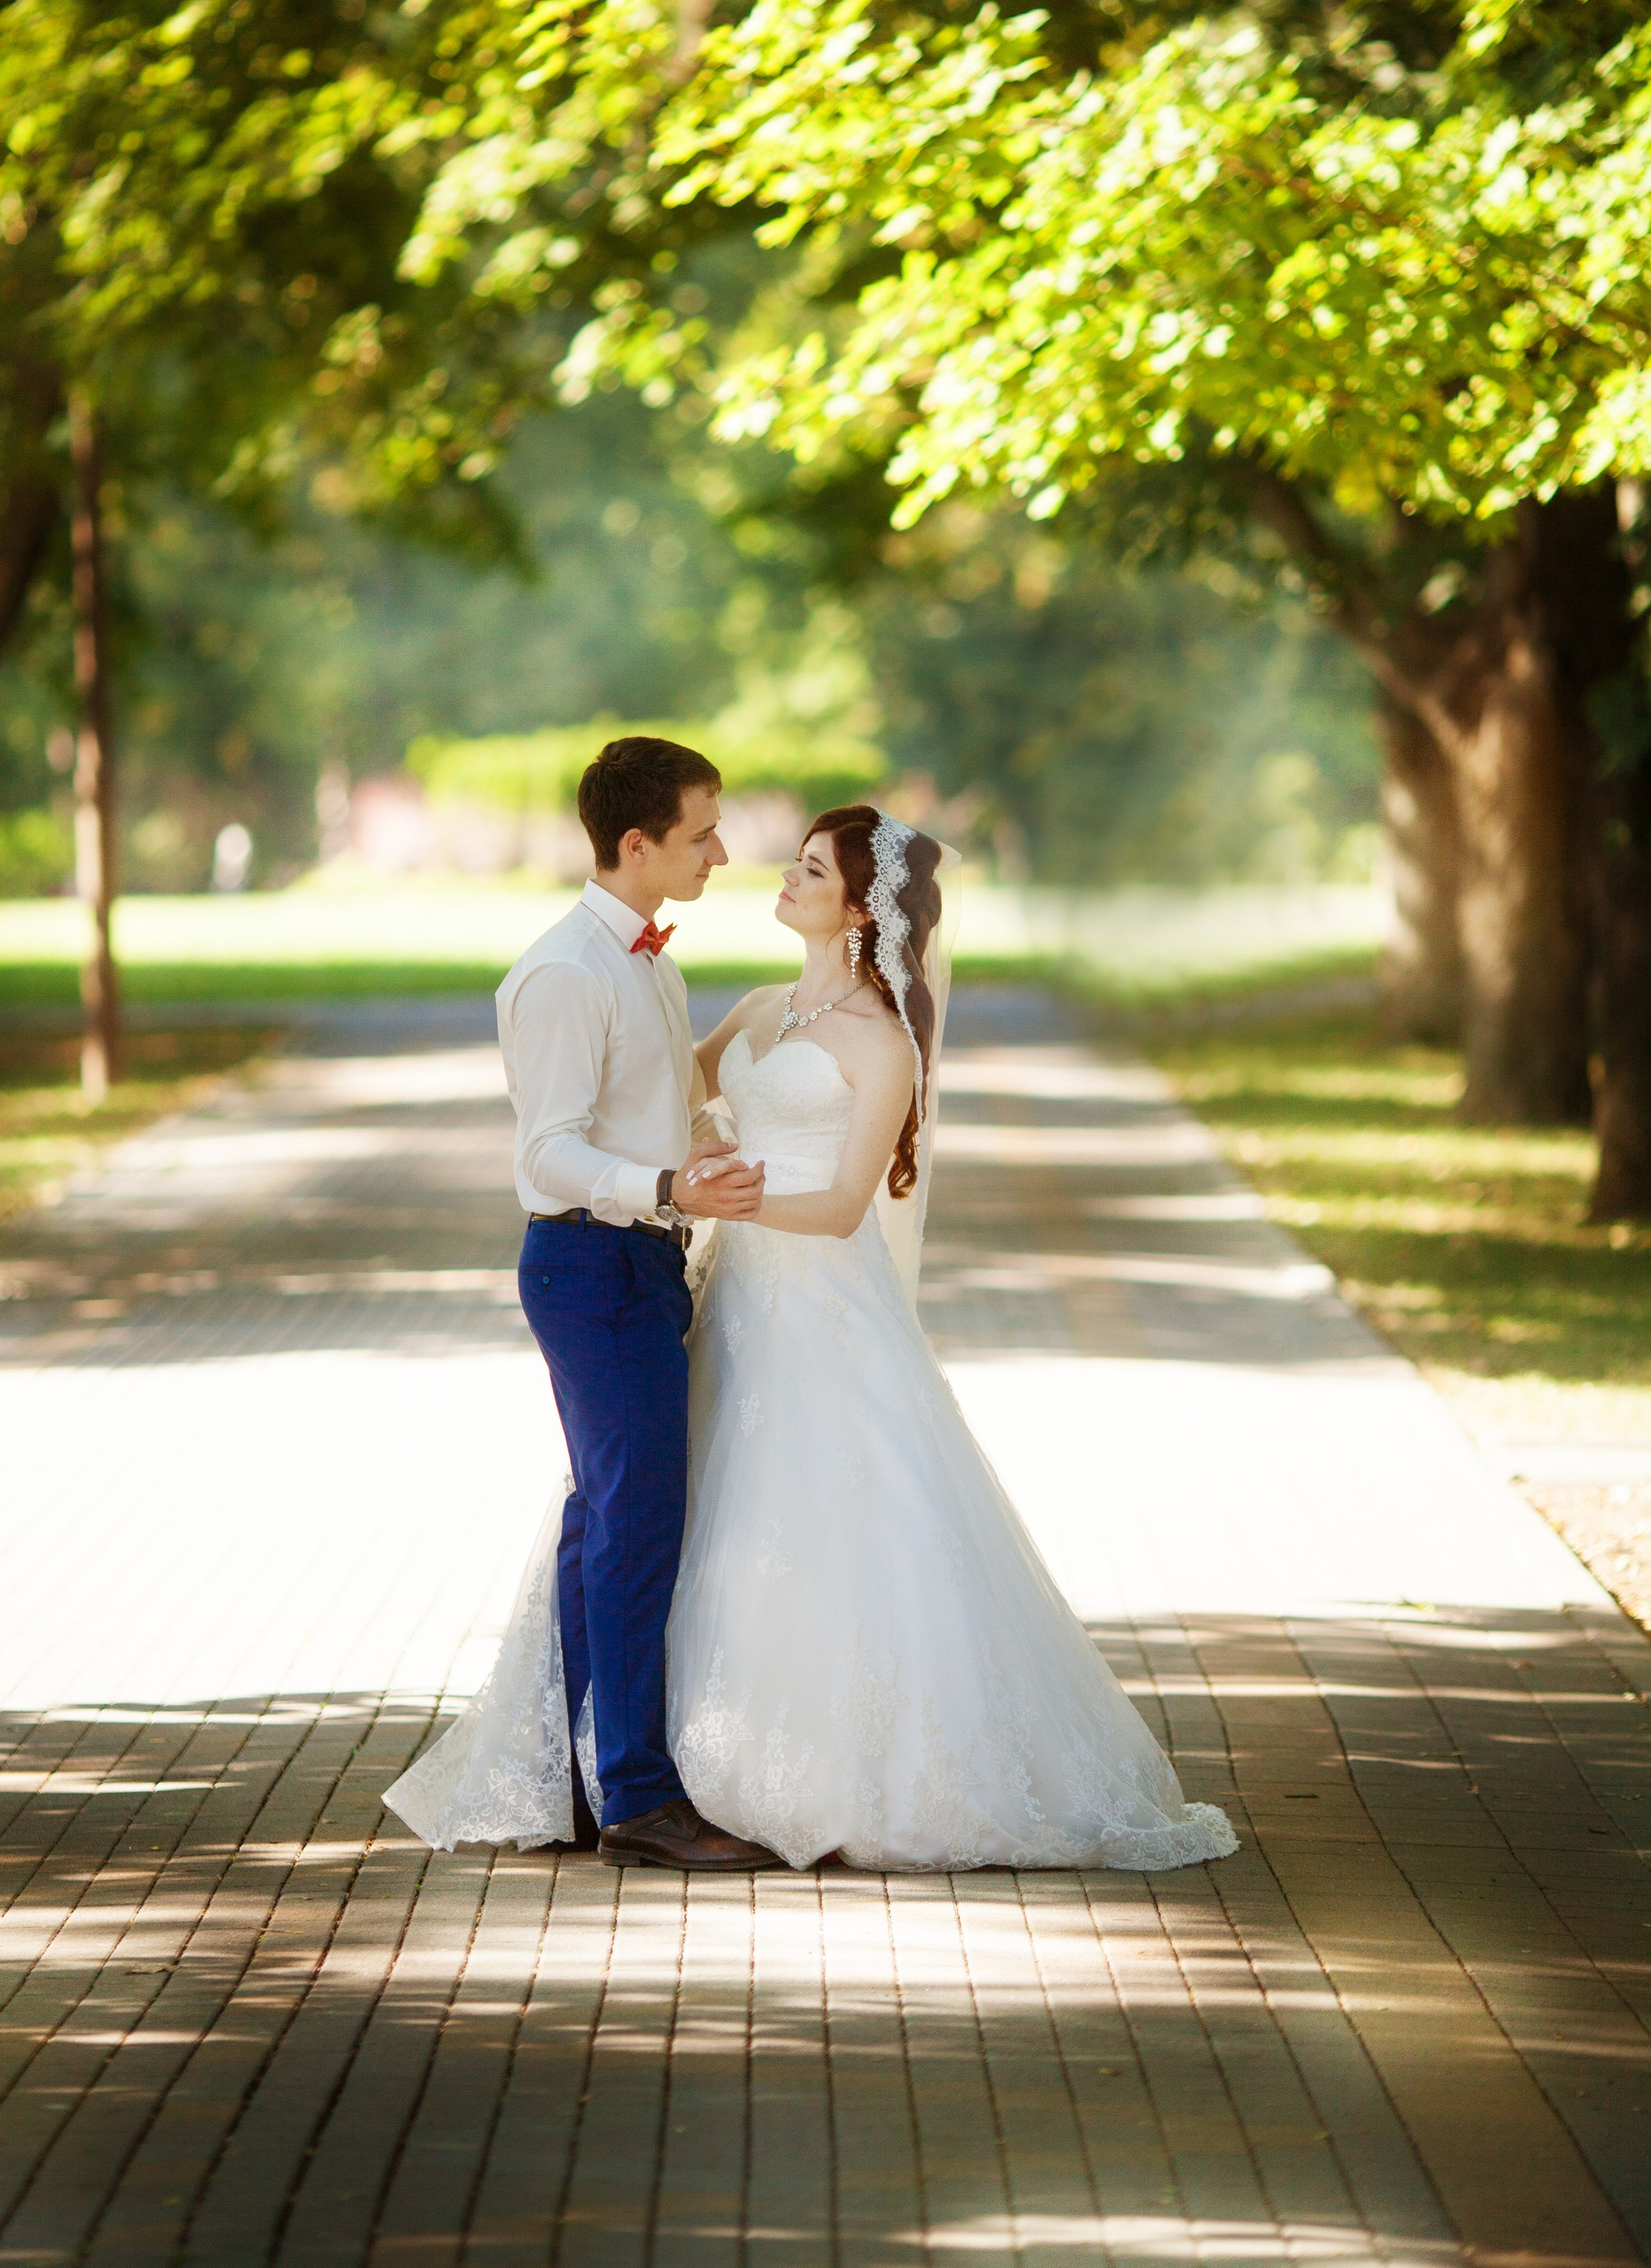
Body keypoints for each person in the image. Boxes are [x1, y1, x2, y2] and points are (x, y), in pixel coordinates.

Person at [387, 796, 1237, 1874]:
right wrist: (660, 1158)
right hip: (724, 1294)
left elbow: (841, 1205)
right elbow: (661, 1094)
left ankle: (839, 1768)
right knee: (664, 1515)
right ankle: (645, 1765)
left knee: (817, 1511)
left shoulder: (882, 1043)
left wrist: (714, 1200)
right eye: (791, 864)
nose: (780, 879)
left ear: (860, 913)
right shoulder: (759, 1010)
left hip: (820, 1302)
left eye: (811, 873)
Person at [384, 736, 778, 1874]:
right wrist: (661, 1187)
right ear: (638, 843)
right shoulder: (563, 974)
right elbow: (549, 1155)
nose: (721, 850)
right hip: (590, 1267)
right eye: (702, 832)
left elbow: (653, 1108)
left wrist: (718, 1133)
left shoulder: (650, 962)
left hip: (645, 1265)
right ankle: (642, 1800)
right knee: (637, 1526)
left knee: (600, 1523)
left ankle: (566, 1772)